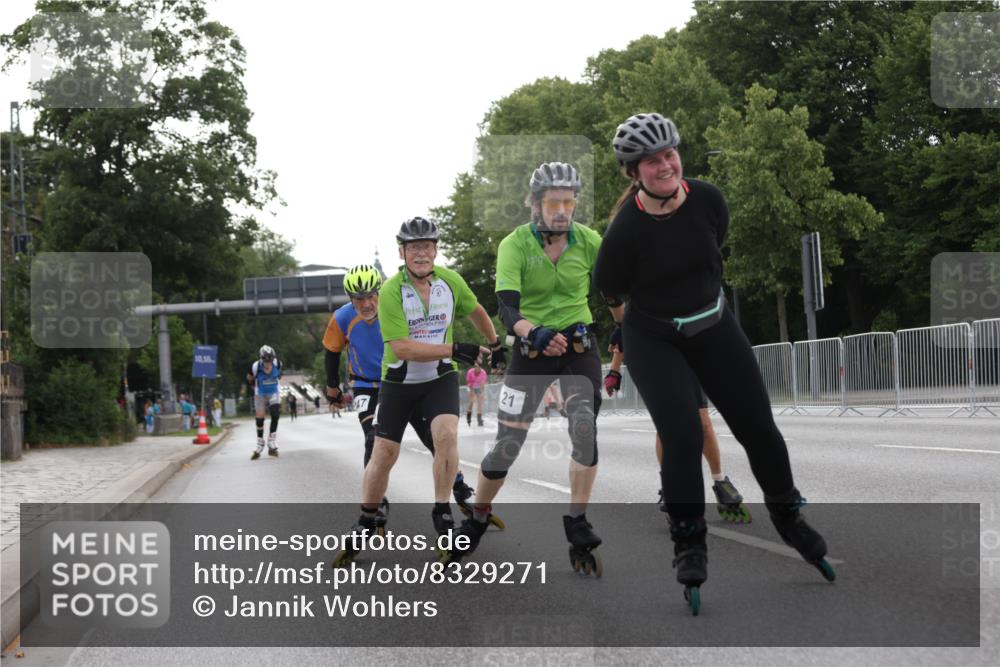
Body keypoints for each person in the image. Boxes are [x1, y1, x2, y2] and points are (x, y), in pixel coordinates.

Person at [593, 112, 834, 613]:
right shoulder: (624, 232)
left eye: (669, 154)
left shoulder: (708, 199)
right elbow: (612, 288)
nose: (665, 165)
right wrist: (624, 341)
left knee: (758, 427)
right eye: (651, 161)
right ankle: (688, 542)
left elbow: (711, 251)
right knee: (683, 435)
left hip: (713, 324)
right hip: (654, 338)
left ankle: (788, 514)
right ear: (633, 173)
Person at [447, 161, 618, 577]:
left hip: (578, 346)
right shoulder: (515, 244)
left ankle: (577, 521)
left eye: (569, 201)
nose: (561, 209)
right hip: (532, 349)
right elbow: (506, 307)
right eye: (553, 202)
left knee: (583, 428)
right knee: (508, 445)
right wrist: (534, 332)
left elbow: (614, 291)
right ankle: (479, 515)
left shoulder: (589, 240)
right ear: (536, 204)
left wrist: (626, 329)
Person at [333, 220, 505, 566]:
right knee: (383, 453)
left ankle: (442, 511)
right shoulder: (393, 292)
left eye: (427, 246)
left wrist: (495, 343)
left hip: (438, 379)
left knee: (446, 434)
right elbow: (401, 348)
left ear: (436, 250)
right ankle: (368, 517)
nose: (422, 253)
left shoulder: (450, 281)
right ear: (402, 253)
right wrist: (454, 348)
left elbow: (476, 310)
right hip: (398, 382)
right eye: (414, 248)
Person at [604, 348, 750, 522]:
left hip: (685, 353)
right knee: (665, 424)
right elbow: (623, 326)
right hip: (654, 356)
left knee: (704, 422)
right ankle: (669, 487)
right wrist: (614, 369)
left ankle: (720, 482)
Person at [245, 345, 282, 460]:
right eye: (266, 360)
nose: (268, 363)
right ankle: (260, 443)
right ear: (261, 359)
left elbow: (279, 375)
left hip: (273, 392)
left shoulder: (278, 364)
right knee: (260, 418)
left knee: (275, 414)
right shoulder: (255, 366)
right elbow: (249, 377)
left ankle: (271, 440)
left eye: (270, 360)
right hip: (260, 393)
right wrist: (252, 384)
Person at [465, 359, 487, 427]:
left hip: (478, 387)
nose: (476, 368)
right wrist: (472, 392)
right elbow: (468, 382)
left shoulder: (483, 373)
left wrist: (482, 394)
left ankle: (479, 419)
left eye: (478, 366)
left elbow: (482, 385)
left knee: (480, 402)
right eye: (475, 366)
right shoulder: (470, 372)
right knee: (471, 402)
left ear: (480, 367)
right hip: (471, 386)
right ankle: (468, 417)